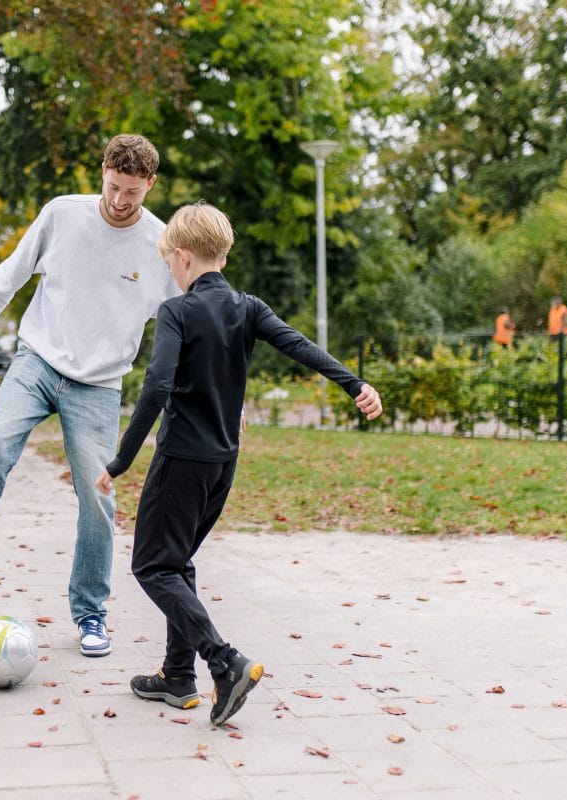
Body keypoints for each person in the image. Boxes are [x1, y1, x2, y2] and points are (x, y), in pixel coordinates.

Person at [94, 203, 383, 726]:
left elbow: (157, 385)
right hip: (222, 464)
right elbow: (299, 345)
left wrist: (120, 460)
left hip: (180, 459)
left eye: (168, 263)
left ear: (181, 256)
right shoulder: (247, 306)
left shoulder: (177, 312)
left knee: (152, 566)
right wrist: (355, 384)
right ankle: (177, 676)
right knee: (177, 562)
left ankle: (223, 663)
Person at [0, 134, 181, 658]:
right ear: (102, 172)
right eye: (112, 187)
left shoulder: (159, 248)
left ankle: (91, 612)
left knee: (98, 494)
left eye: (132, 192)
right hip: (37, 361)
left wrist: (226, 394)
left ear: (150, 185)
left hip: (99, 384)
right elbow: (13, 271)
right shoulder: (62, 215)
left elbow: (190, 323)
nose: (119, 201)